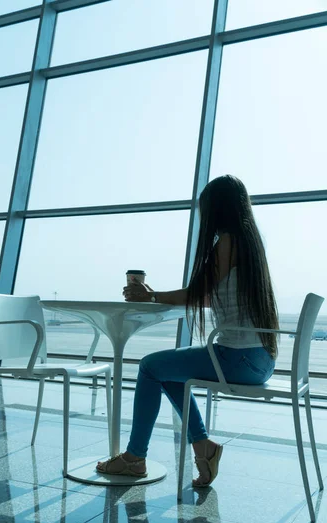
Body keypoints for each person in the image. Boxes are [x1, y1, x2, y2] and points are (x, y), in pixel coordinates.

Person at [97, 175, 279, 487]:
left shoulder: (228, 242)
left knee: (150, 366)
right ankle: (202, 447)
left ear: (216, 210)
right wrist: (155, 295)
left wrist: (151, 297)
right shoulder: (248, 243)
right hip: (259, 359)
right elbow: (208, 295)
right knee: (165, 372)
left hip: (238, 358)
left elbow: (197, 293)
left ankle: (134, 459)